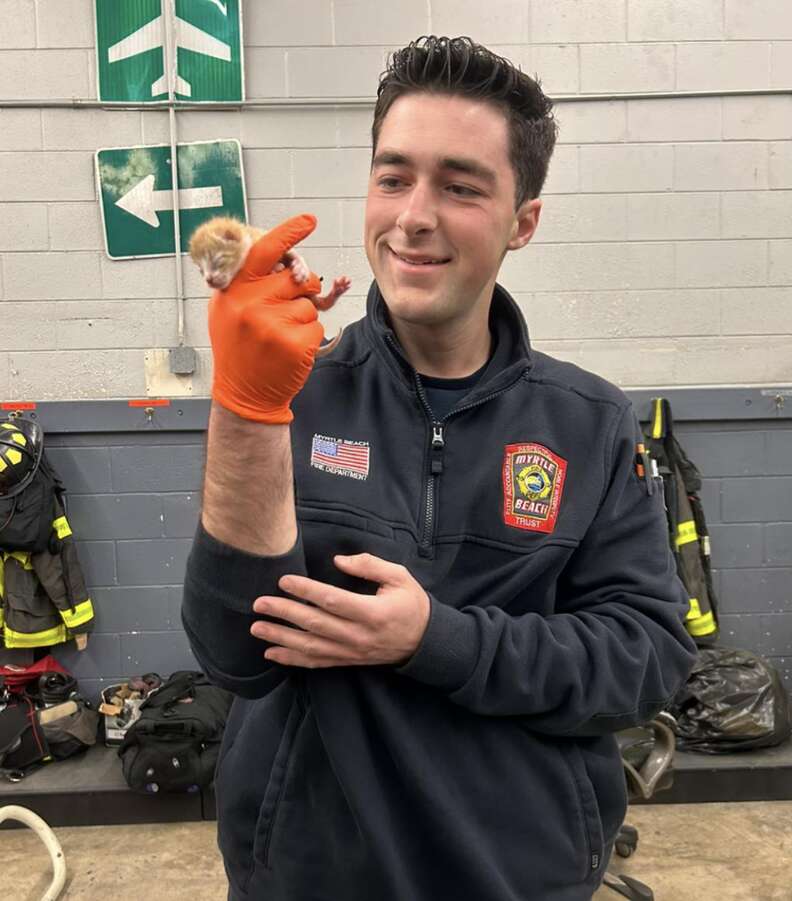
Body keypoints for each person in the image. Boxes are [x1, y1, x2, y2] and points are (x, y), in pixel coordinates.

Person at [182, 35, 697, 901]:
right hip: (311, 878)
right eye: (393, 177)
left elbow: (645, 658)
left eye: (459, 186)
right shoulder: (291, 392)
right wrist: (245, 410)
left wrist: (437, 639)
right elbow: (235, 653)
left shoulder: (589, 425)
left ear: (522, 222)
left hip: (520, 875)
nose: (414, 215)